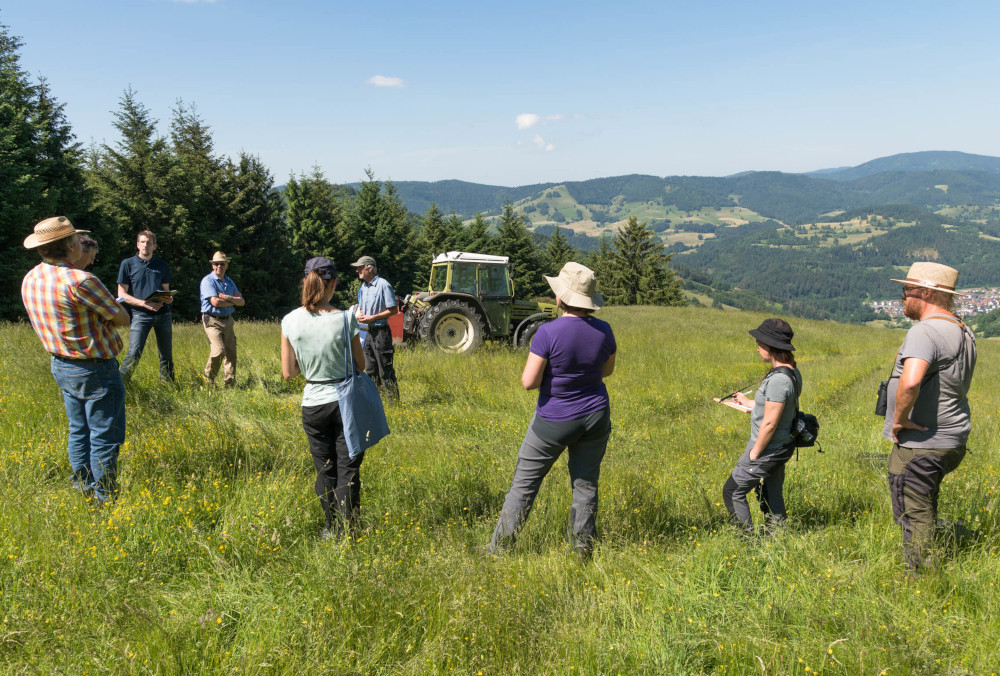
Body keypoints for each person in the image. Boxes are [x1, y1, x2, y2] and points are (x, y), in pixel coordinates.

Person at [488, 262, 616, 558]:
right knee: (586, 484)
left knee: (524, 485)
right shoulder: (604, 330)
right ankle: (582, 548)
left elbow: (529, 382)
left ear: (561, 298)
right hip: (596, 415)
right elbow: (606, 371)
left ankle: (500, 549)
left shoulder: (547, 332)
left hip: (554, 418)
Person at [20, 217, 130, 505]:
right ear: (69, 246)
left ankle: (83, 488)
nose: (81, 244)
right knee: (104, 435)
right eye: (76, 240)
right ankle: (105, 498)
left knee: (79, 430)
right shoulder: (81, 281)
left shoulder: (31, 277)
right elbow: (122, 318)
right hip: (94, 367)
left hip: (61, 364)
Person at [884, 262, 976, 573]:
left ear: (925, 293)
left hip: (922, 442)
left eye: (906, 290)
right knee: (924, 500)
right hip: (951, 436)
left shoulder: (925, 331)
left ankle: (920, 575)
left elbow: (911, 382)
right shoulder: (962, 329)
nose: (902, 297)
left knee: (912, 511)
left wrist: (900, 419)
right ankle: (932, 554)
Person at [281, 257, 366, 539]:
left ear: (304, 282)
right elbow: (361, 364)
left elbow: (288, 372)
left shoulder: (290, 321)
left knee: (325, 470)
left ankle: (331, 528)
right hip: (345, 402)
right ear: (334, 283)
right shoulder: (344, 318)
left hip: (313, 403)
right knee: (348, 469)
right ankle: (349, 531)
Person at [722, 318, 802, 535]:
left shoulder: (779, 380)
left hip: (767, 446)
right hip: (782, 444)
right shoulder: (792, 372)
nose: (757, 347)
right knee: (772, 493)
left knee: (733, 491)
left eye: (760, 343)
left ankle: (747, 543)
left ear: (771, 346)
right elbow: (776, 407)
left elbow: (770, 422)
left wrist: (754, 453)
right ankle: (776, 539)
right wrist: (747, 402)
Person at [117, 230, 174, 382]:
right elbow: (122, 294)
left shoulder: (162, 265)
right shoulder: (127, 264)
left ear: (154, 246)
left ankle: (168, 386)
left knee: (166, 355)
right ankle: (121, 385)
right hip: (140, 315)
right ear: (137, 244)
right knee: (134, 353)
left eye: (149, 243)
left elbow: (166, 291)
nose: (145, 245)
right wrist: (144, 303)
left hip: (163, 314)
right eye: (142, 242)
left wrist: (168, 298)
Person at [352, 255, 399, 402]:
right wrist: (360, 314)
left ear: (369, 268)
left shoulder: (384, 285)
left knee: (385, 370)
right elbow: (361, 307)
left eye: (360, 268)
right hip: (366, 333)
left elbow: (394, 310)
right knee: (370, 370)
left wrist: (373, 318)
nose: (357, 271)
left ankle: (394, 404)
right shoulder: (363, 287)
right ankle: (375, 402)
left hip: (381, 333)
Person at [199, 251, 245, 388]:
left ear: (226, 265)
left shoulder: (229, 281)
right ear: (212, 265)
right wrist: (233, 301)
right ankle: (208, 379)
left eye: (222, 264)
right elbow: (215, 302)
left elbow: (242, 302)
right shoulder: (208, 281)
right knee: (219, 351)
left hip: (228, 320)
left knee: (231, 352)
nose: (219, 266)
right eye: (216, 264)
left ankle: (230, 384)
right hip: (212, 320)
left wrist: (226, 297)